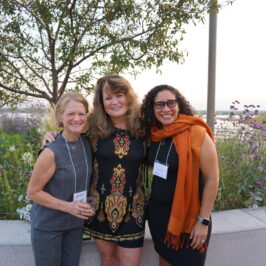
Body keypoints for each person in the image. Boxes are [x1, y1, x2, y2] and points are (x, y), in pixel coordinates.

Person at [43, 75, 146, 266]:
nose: (114, 102)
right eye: (108, 98)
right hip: (99, 209)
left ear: (128, 97)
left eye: (119, 95)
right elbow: (70, 132)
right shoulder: (93, 128)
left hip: (134, 209)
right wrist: (52, 136)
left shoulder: (143, 127)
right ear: (101, 102)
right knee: (107, 260)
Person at [140, 84, 219, 266]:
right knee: (165, 261)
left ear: (179, 105)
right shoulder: (153, 134)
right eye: (159, 105)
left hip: (192, 218)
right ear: (152, 109)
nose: (166, 109)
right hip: (159, 215)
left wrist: (203, 221)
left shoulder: (196, 133)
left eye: (170, 103)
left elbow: (212, 179)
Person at [27, 92, 94, 266]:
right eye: (70, 114)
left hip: (74, 226)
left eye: (81, 113)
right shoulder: (51, 151)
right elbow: (33, 192)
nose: (77, 119)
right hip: (48, 227)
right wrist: (68, 207)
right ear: (60, 117)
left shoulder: (87, 143)